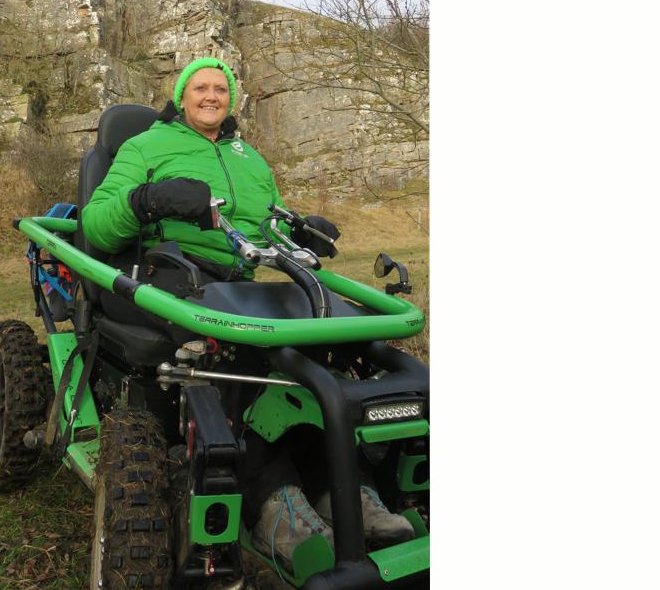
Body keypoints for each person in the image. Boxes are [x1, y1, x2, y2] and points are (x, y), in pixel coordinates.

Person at [81, 57, 412, 568]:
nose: (211, 95)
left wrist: (300, 229)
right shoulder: (144, 146)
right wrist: (147, 200)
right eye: (200, 87)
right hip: (167, 269)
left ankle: (342, 487)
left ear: (231, 99)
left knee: (323, 344)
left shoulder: (250, 159)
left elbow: (268, 225)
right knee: (235, 349)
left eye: (221, 88)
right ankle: (270, 499)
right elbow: (97, 226)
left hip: (238, 279)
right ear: (182, 95)